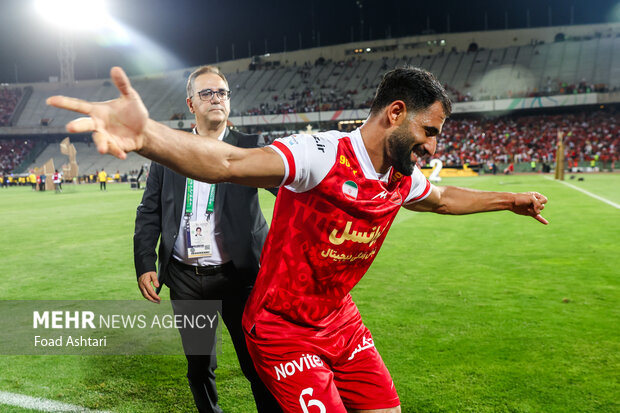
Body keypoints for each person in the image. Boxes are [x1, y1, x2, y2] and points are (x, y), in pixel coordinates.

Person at [48, 66, 548, 413]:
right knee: (203, 365)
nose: (434, 146)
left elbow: (440, 198)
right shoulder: (319, 154)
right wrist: (150, 136)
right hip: (282, 325)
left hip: (340, 320)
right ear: (396, 113)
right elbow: (227, 163)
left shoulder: (398, 174)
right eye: (430, 130)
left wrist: (511, 200)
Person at [132, 66, 280, 413]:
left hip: (240, 277)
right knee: (199, 368)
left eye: (222, 93)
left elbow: (289, 190)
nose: (216, 99)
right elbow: (149, 211)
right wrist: (144, 263)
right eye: (207, 93)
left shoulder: (251, 147)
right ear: (190, 104)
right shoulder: (169, 151)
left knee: (257, 364)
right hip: (185, 278)